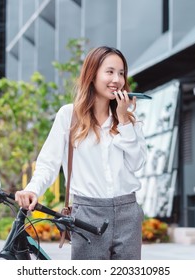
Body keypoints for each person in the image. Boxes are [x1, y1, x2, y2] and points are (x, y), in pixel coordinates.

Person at [15, 46, 147, 260]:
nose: (117, 79)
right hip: (87, 214)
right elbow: (49, 163)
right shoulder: (69, 115)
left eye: (121, 73)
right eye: (110, 72)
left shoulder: (129, 119)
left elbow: (137, 164)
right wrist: (32, 189)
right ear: (92, 74)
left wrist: (123, 121)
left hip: (128, 212)